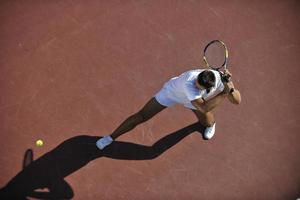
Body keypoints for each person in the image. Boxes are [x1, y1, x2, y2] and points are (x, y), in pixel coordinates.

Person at [96, 68, 241, 150]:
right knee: (142, 115)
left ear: (209, 86)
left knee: (206, 121)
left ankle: (211, 125)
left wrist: (230, 89)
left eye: (199, 86)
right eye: (196, 82)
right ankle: (110, 137)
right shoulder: (190, 82)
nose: (195, 85)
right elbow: (203, 107)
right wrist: (224, 93)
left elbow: (237, 101)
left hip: (196, 101)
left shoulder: (221, 79)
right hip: (172, 94)